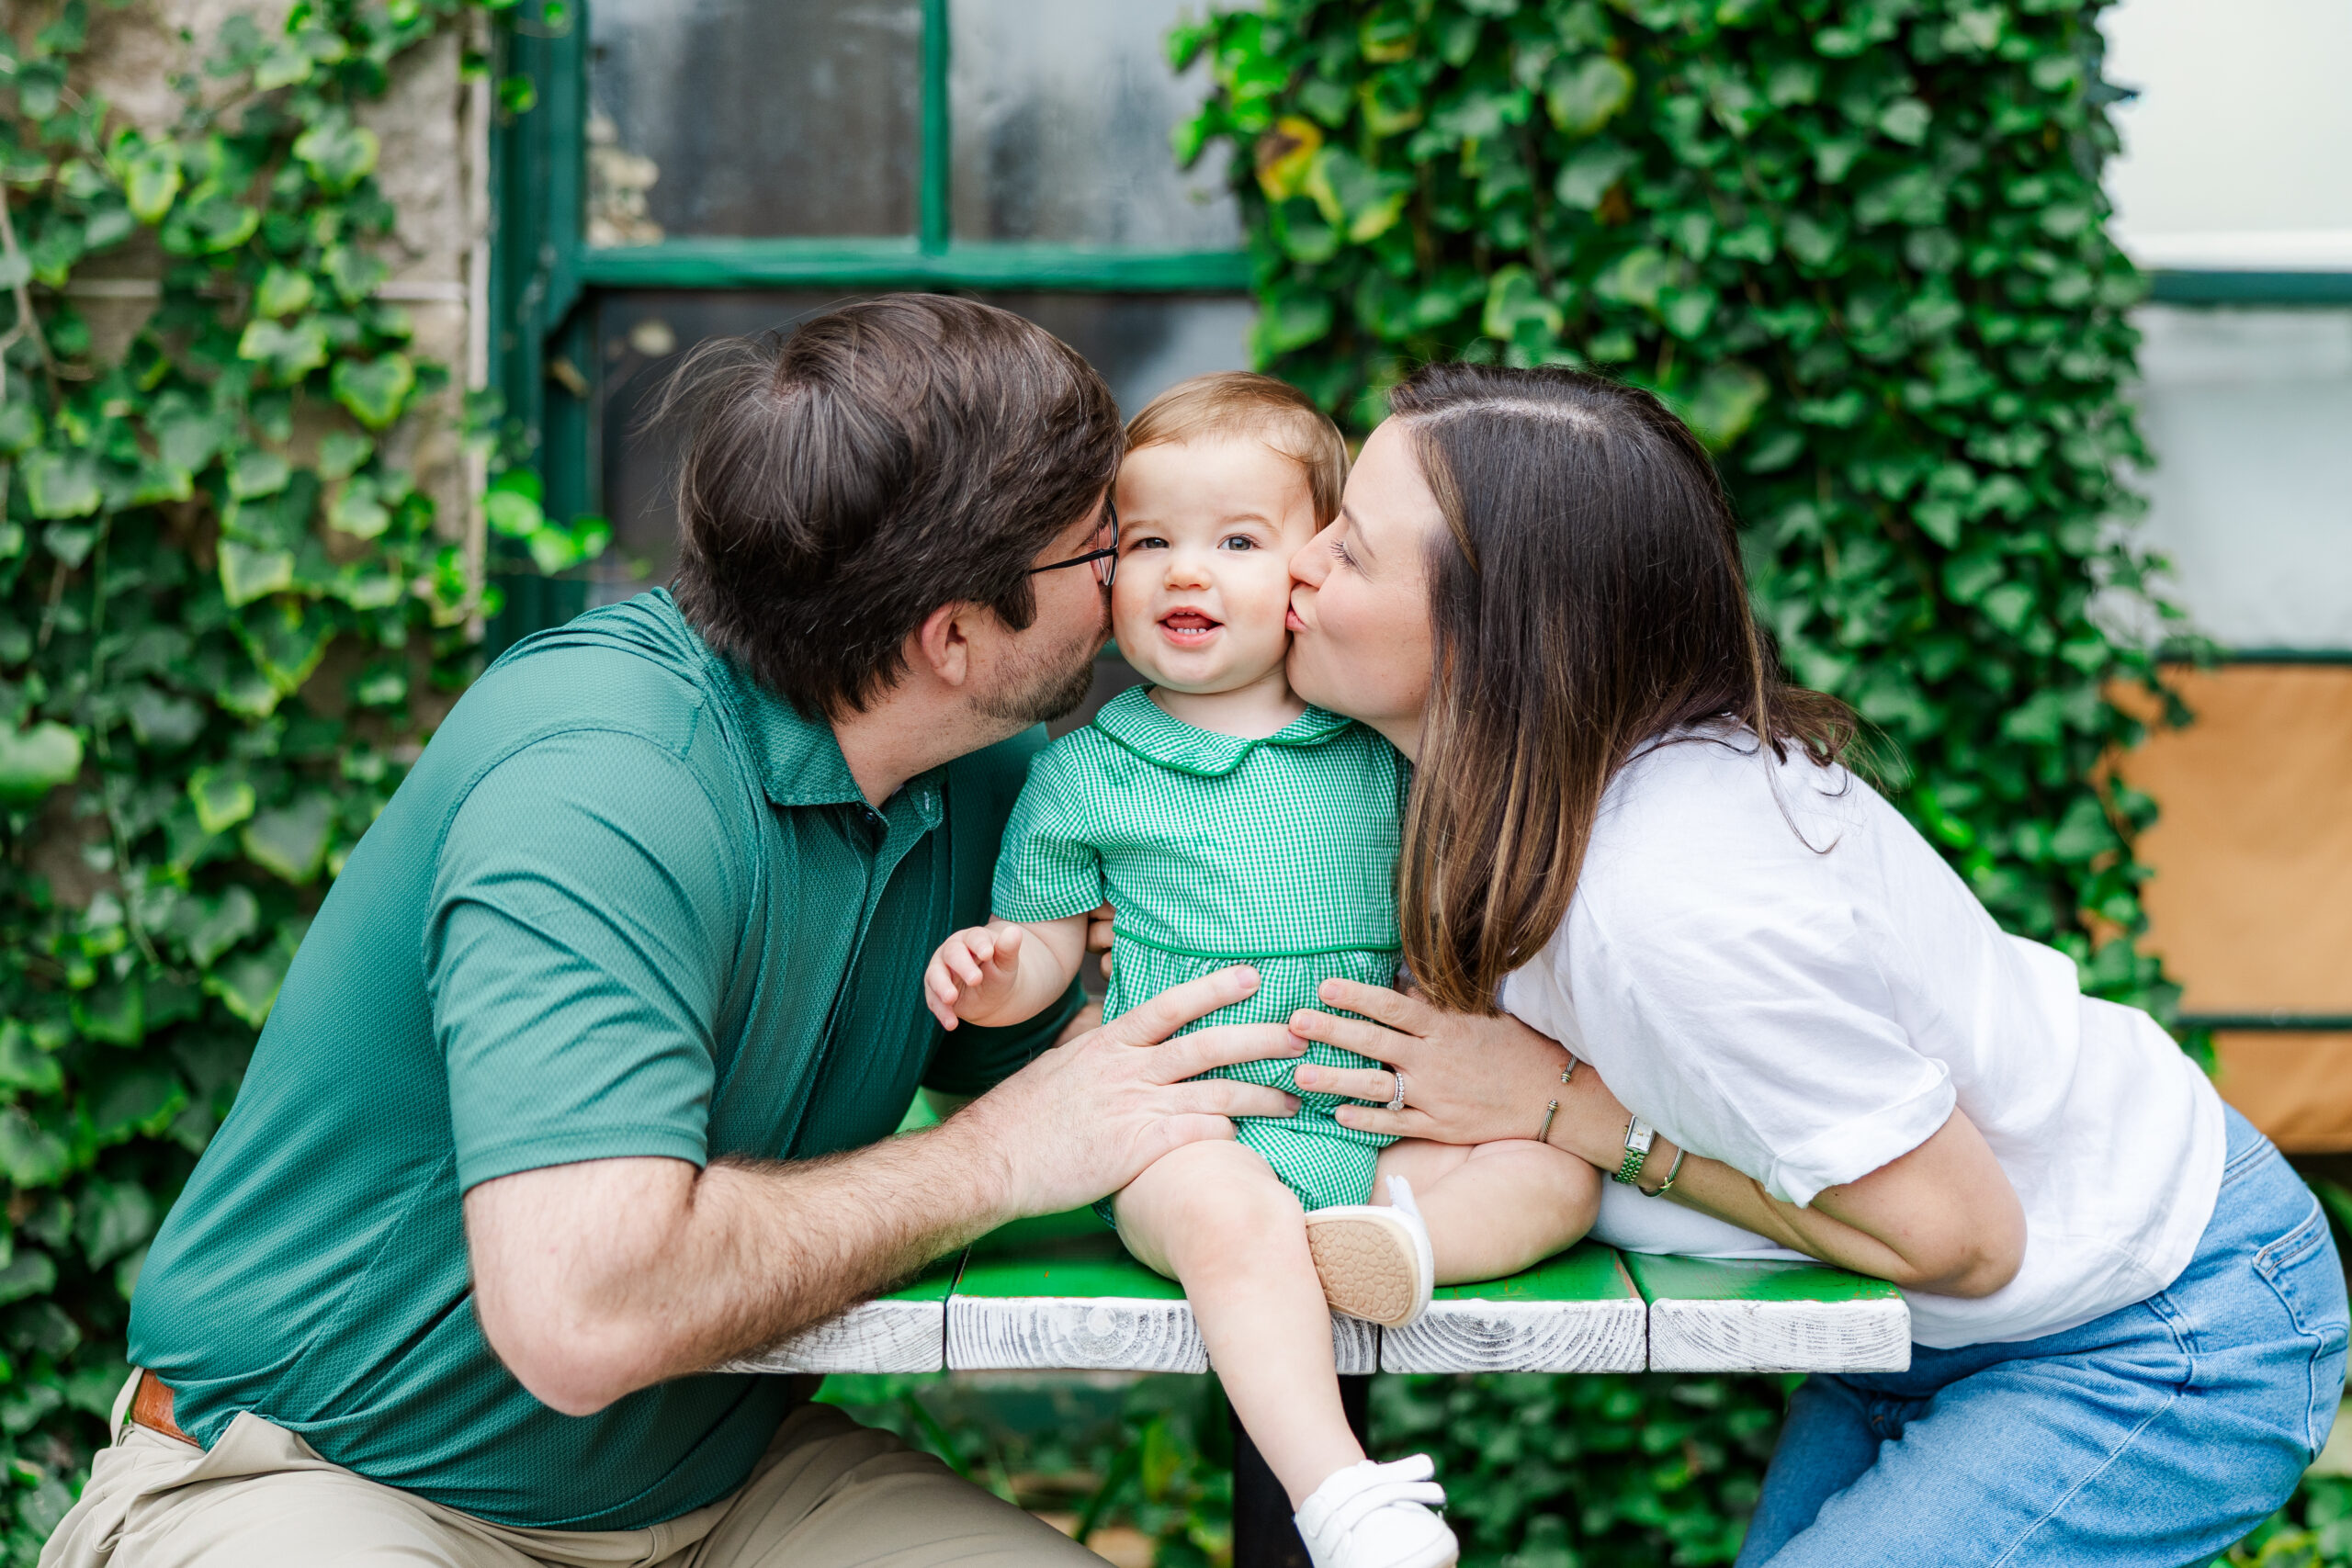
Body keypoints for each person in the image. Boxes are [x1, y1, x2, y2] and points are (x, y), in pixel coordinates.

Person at [41, 296, 1312, 1568]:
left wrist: (1497, 1089)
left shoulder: (977, 768)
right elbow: (581, 1312)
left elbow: (1112, 1077)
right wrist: (994, 1159)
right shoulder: (603, 787)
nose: (1138, 582)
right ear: (956, 636)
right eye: (1105, 550)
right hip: (323, 1479)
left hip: (720, 1495)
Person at [1269, 361, 2349, 1565]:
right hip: (1931, 1329)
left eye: (1352, 551)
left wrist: (1571, 1113)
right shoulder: (1526, 801)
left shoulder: (1673, 903)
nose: (1298, 564)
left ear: (1502, 631)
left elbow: (1958, 1235)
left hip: (2159, 1324)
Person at [923, 374, 1598, 1568]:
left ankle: (1400, 1246)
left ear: (1310, 576)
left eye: (1237, 541)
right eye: (1148, 543)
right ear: (1108, 573)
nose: (1188, 572)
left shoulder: (1378, 744)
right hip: (1187, 1128)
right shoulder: (1087, 773)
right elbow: (1046, 944)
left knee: (1551, 1173)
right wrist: (996, 975)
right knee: (1232, 1221)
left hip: (1372, 1121)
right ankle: (1342, 1492)